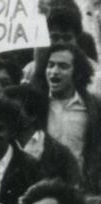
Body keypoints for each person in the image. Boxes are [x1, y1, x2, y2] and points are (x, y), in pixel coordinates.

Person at [39, 42, 101, 192]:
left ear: (77, 72)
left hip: (80, 189)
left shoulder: (93, 107)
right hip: (41, 187)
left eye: (63, 66)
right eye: (50, 65)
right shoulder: (36, 104)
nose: (54, 71)